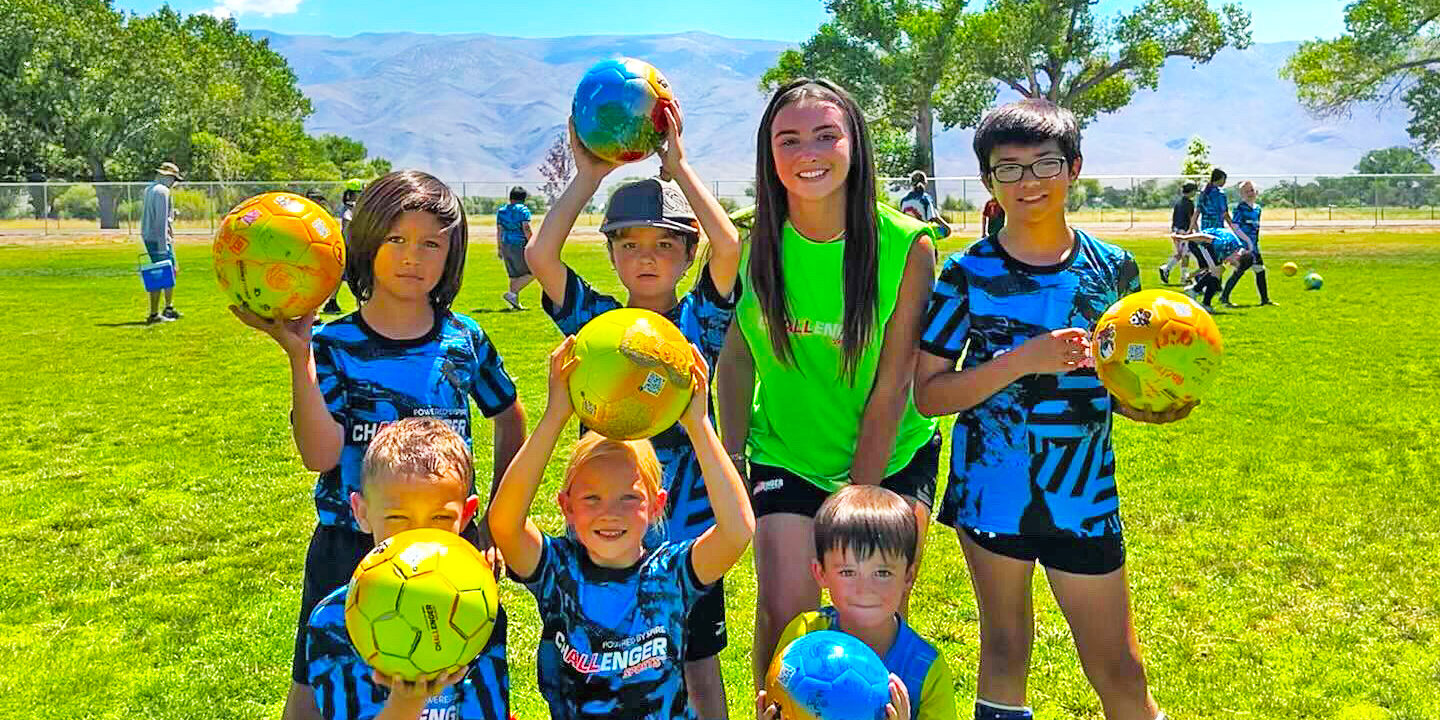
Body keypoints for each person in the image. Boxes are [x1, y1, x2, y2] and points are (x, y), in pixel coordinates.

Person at [914, 98, 1189, 720]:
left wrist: (1143, 406)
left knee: (1119, 664)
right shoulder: (966, 275)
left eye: (1045, 164)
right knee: (1006, 648)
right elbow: (929, 394)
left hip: (1084, 494)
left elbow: (1117, 379)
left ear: (1074, 167)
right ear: (988, 180)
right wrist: (1023, 360)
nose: (1029, 181)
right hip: (993, 491)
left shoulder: (1112, 269)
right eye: (1008, 169)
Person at [230, 170, 528, 720]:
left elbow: (509, 415)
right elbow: (320, 457)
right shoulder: (334, 344)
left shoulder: (464, 340)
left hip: (445, 547)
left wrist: (493, 518)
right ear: (367, 242)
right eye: (396, 239)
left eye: (431, 244)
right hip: (351, 543)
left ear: (451, 254)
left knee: (451, 688)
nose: (413, 257)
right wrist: (300, 358)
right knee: (311, 693)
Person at [713, 78, 941, 692]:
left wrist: (857, 505)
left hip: (893, 455)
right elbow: (736, 357)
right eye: (788, 140)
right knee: (785, 618)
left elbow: (893, 385)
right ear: (768, 153)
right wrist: (732, 458)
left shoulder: (907, 245)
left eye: (825, 136)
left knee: (870, 616)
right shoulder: (745, 240)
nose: (808, 153)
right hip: (788, 452)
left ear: (854, 144)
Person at [526, 111, 741, 719]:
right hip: (610, 523)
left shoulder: (699, 321)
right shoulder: (597, 327)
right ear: (613, 253)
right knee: (597, 648)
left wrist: (679, 167)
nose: (647, 258)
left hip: (690, 526)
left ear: (688, 253)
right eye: (630, 245)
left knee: (698, 659)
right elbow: (541, 255)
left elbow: (729, 246)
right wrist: (588, 176)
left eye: (665, 245)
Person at [488, 339, 755, 720]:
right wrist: (554, 417)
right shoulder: (557, 571)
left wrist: (699, 425)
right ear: (566, 507)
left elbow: (737, 530)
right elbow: (504, 522)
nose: (610, 513)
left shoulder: (671, 573)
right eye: (592, 499)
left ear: (657, 505)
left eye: (628, 498)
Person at [306, 417, 509, 720]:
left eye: (440, 518)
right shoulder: (334, 622)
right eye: (398, 519)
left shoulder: (478, 608)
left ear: (466, 515)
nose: (419, 537)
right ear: (362, 513)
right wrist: (406, 702)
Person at [758, 485, 956, 720]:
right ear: (820, 573)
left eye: (882, 573)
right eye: (848, 572)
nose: (865, 589)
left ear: (908, 577)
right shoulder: (803, 636)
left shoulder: (925, 669)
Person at [1220, 180, 1276, 307]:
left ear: (1256, 192)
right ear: (1241, 194)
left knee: (1260, 270)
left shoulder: (1258, 209)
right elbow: (1235, 227)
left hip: (1254, 246)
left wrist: (1253, 244)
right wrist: (1247, 242)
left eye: (1252, 190)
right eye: (1246, 191)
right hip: (1244, 246)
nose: (1250, 193)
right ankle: (1224, 297)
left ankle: (1265, 300)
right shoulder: (1240, 208)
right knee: (1239, 271)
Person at [140, 162, 183, 324]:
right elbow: (161, 221)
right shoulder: (162, 191)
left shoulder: (149, 189)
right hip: (159, 239)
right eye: (173, 178)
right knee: (161, 274)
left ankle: (168, 308)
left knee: (170, 271)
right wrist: (163, 246)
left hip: (151, 236)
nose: (173, 182)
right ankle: (154, 313)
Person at [496, 186, 535, 310]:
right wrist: (532, 243)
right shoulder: (523, 210)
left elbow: (499, 230)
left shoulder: (502, 211)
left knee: (514, 275)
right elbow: (526, 228)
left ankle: (515, 302)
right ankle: (512, 293)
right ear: (523, 199)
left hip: (505, 243)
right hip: (519, 243)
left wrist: (499, 248)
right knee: (534, 271)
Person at [321, 186, 359, 315]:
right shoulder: (349, 210)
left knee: (344, 277)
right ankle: (333, 303)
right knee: (354, 277)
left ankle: (332, 303)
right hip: (348, 249)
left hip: (348, 248)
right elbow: (347, 232)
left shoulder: (352, 208)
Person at [1158, 181, 1197, 284]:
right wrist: (1195, 231)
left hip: (1176, 230)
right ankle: (1183, 278)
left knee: (1180, 254)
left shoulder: (1178, 202)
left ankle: (1166, 269)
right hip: (1184, 232)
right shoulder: (1189, 203)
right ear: (1191, 191)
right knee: (1185, 255)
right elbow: (1192, 219)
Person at [899, 170, 952, 239]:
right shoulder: (925, 198)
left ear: (911, 183)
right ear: (925, 183)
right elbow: (933, 218)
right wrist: (947, 228)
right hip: (921, 233)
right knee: (943, 231)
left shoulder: (904, 200)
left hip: (907, 233)